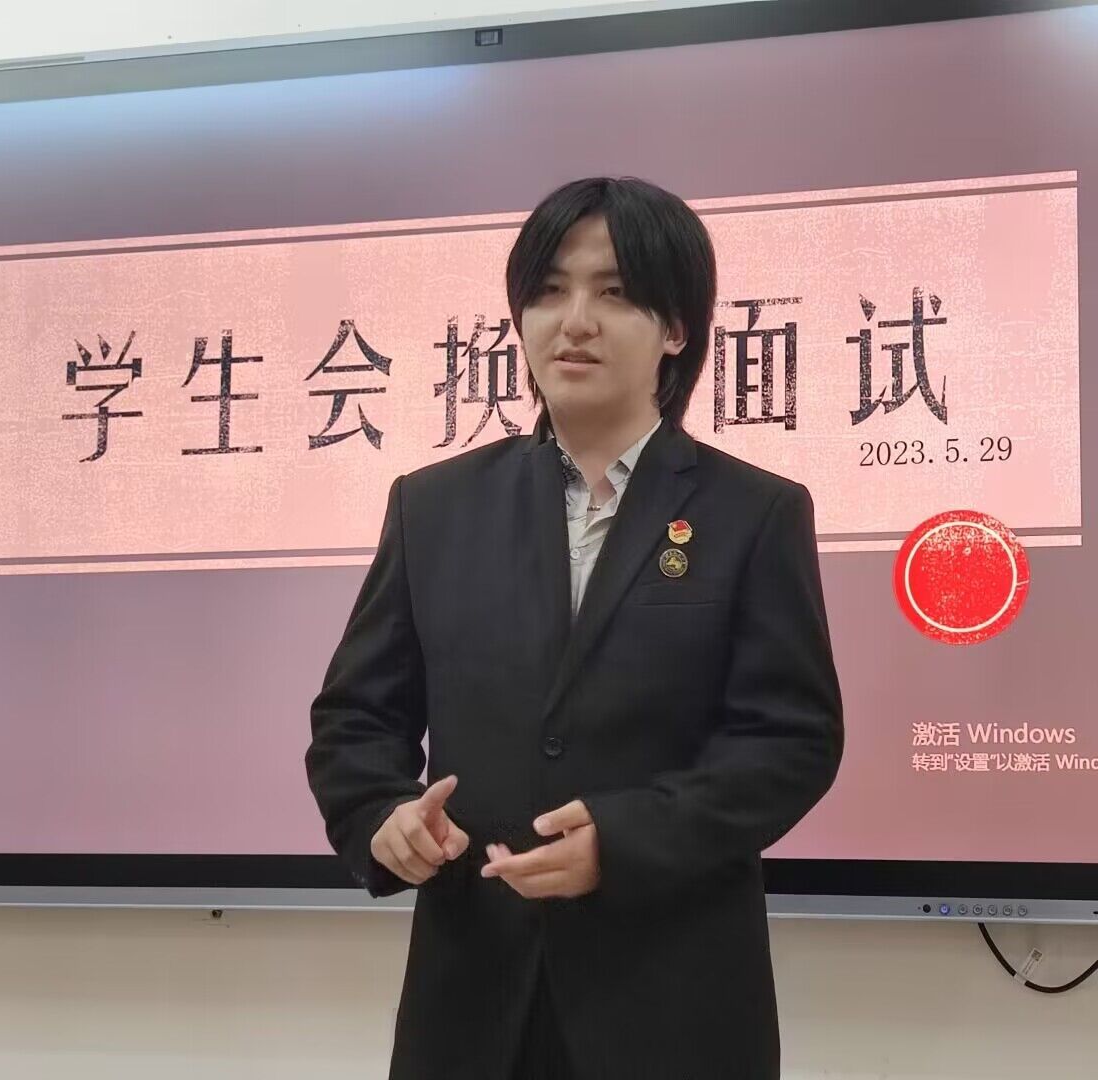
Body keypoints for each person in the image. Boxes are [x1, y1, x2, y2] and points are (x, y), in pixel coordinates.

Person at [306, 176, 844, 1080]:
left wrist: (624, 843)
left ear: (677, 329)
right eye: (549, 291)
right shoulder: (434, 507)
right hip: (471, 999)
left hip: (673, 1004)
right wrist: (381, 817)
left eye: (616, 292)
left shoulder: (754, 513)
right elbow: (358, 718)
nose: (575, 321)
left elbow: (789, 742)